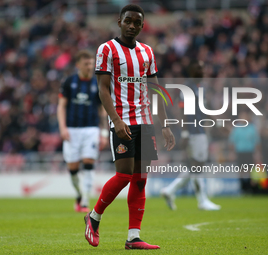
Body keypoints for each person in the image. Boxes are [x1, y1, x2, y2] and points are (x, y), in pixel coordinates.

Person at [84, 4, 175, 250]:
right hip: (122, 120)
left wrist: (164, 125)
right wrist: (115, 120)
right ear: (119, 21)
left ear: (143, 26)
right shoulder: (107, 49)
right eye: (128, 21)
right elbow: (103, 89)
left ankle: (133, 237)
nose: (132, 25)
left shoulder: (147, 52)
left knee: (140, 180)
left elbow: (155, 90)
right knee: (124, 175)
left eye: (137, 22)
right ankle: (93, 217)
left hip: (145, 122)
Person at [161, 61, 221, 211]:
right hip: (194, 131)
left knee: (194, 165)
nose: (204, 71)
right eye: (200, 68)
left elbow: (204, 108)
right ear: (192, 71)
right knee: (197, 165)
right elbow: (182, 112)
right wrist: (185, 133)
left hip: (200, 130)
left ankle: (170, 190)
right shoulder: (187, 88)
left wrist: (217, 122)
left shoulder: (200, 88)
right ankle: (202, 200)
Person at [57, 50, 108, 213]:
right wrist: (62, 128)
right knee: (72, 168)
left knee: (88, 163)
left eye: (91, 64)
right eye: (86, 64)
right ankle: (79, 194)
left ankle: (85, 201)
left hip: (91, 129)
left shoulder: (97, 84)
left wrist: (104, 133)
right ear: (78, 65)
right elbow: (61, 106)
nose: (90, 66)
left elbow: (103, 110)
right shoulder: (69, 82)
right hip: (72, 130)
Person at [229, 111, 261, 194]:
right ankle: (242, 188)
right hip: (240, 152)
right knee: (241, 171)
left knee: (250, 170)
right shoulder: (236, 128)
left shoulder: (252, 128)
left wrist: (257, 153)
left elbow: (256, 142)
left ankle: (251, 188)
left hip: (249, 152)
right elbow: (232, 141)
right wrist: (233, 152)